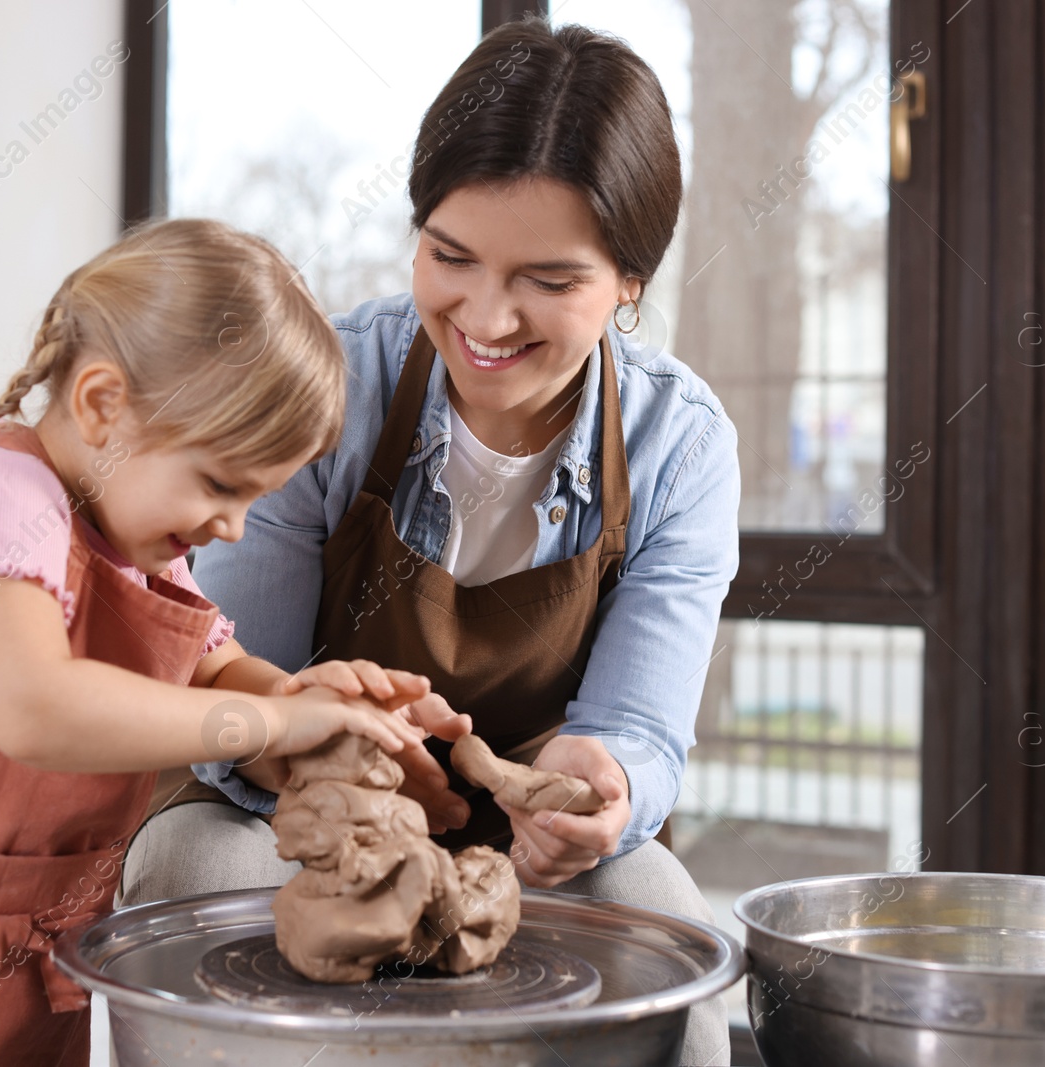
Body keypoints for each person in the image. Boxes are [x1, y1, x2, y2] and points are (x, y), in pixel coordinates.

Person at [124, 20, 741, 1066]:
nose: (486, 316)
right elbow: (224, 680)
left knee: (661, 915)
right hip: (295, 810)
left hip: (522, 849)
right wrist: (331, 752)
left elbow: (639, 725)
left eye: (548, 280)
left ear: (630, 279)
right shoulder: (330, 390)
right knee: (191, 862)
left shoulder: (680, 444)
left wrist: (606, 783)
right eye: (450, 256)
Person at [0, 219, 430, 1066]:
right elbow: (35, 706)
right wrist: (270, 727)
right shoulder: (0, 498)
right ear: (104, 404)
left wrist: (309, 704)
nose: (232, 526)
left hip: (31, 982)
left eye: (257, 498)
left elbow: (213, 667)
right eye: (220, 484)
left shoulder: (143, 552)